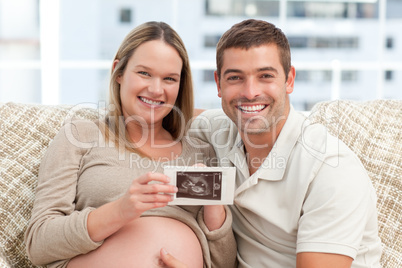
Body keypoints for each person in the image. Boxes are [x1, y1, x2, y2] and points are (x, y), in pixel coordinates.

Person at [24, 21, 237, 268]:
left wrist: (214, 212)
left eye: (169, 78)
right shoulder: (80, 135)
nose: (156, 89)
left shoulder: (202, 151)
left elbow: (225, 263)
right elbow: (38, 243)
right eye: (144, 73)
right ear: (119, 72)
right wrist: (121, 210)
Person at [188, 19, 382, 267]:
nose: (249, 92)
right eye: (235, 78)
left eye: (265, 75)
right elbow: (164, 114)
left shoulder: (331, 169)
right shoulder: (220, 130)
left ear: (289, 80)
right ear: (218, 84)